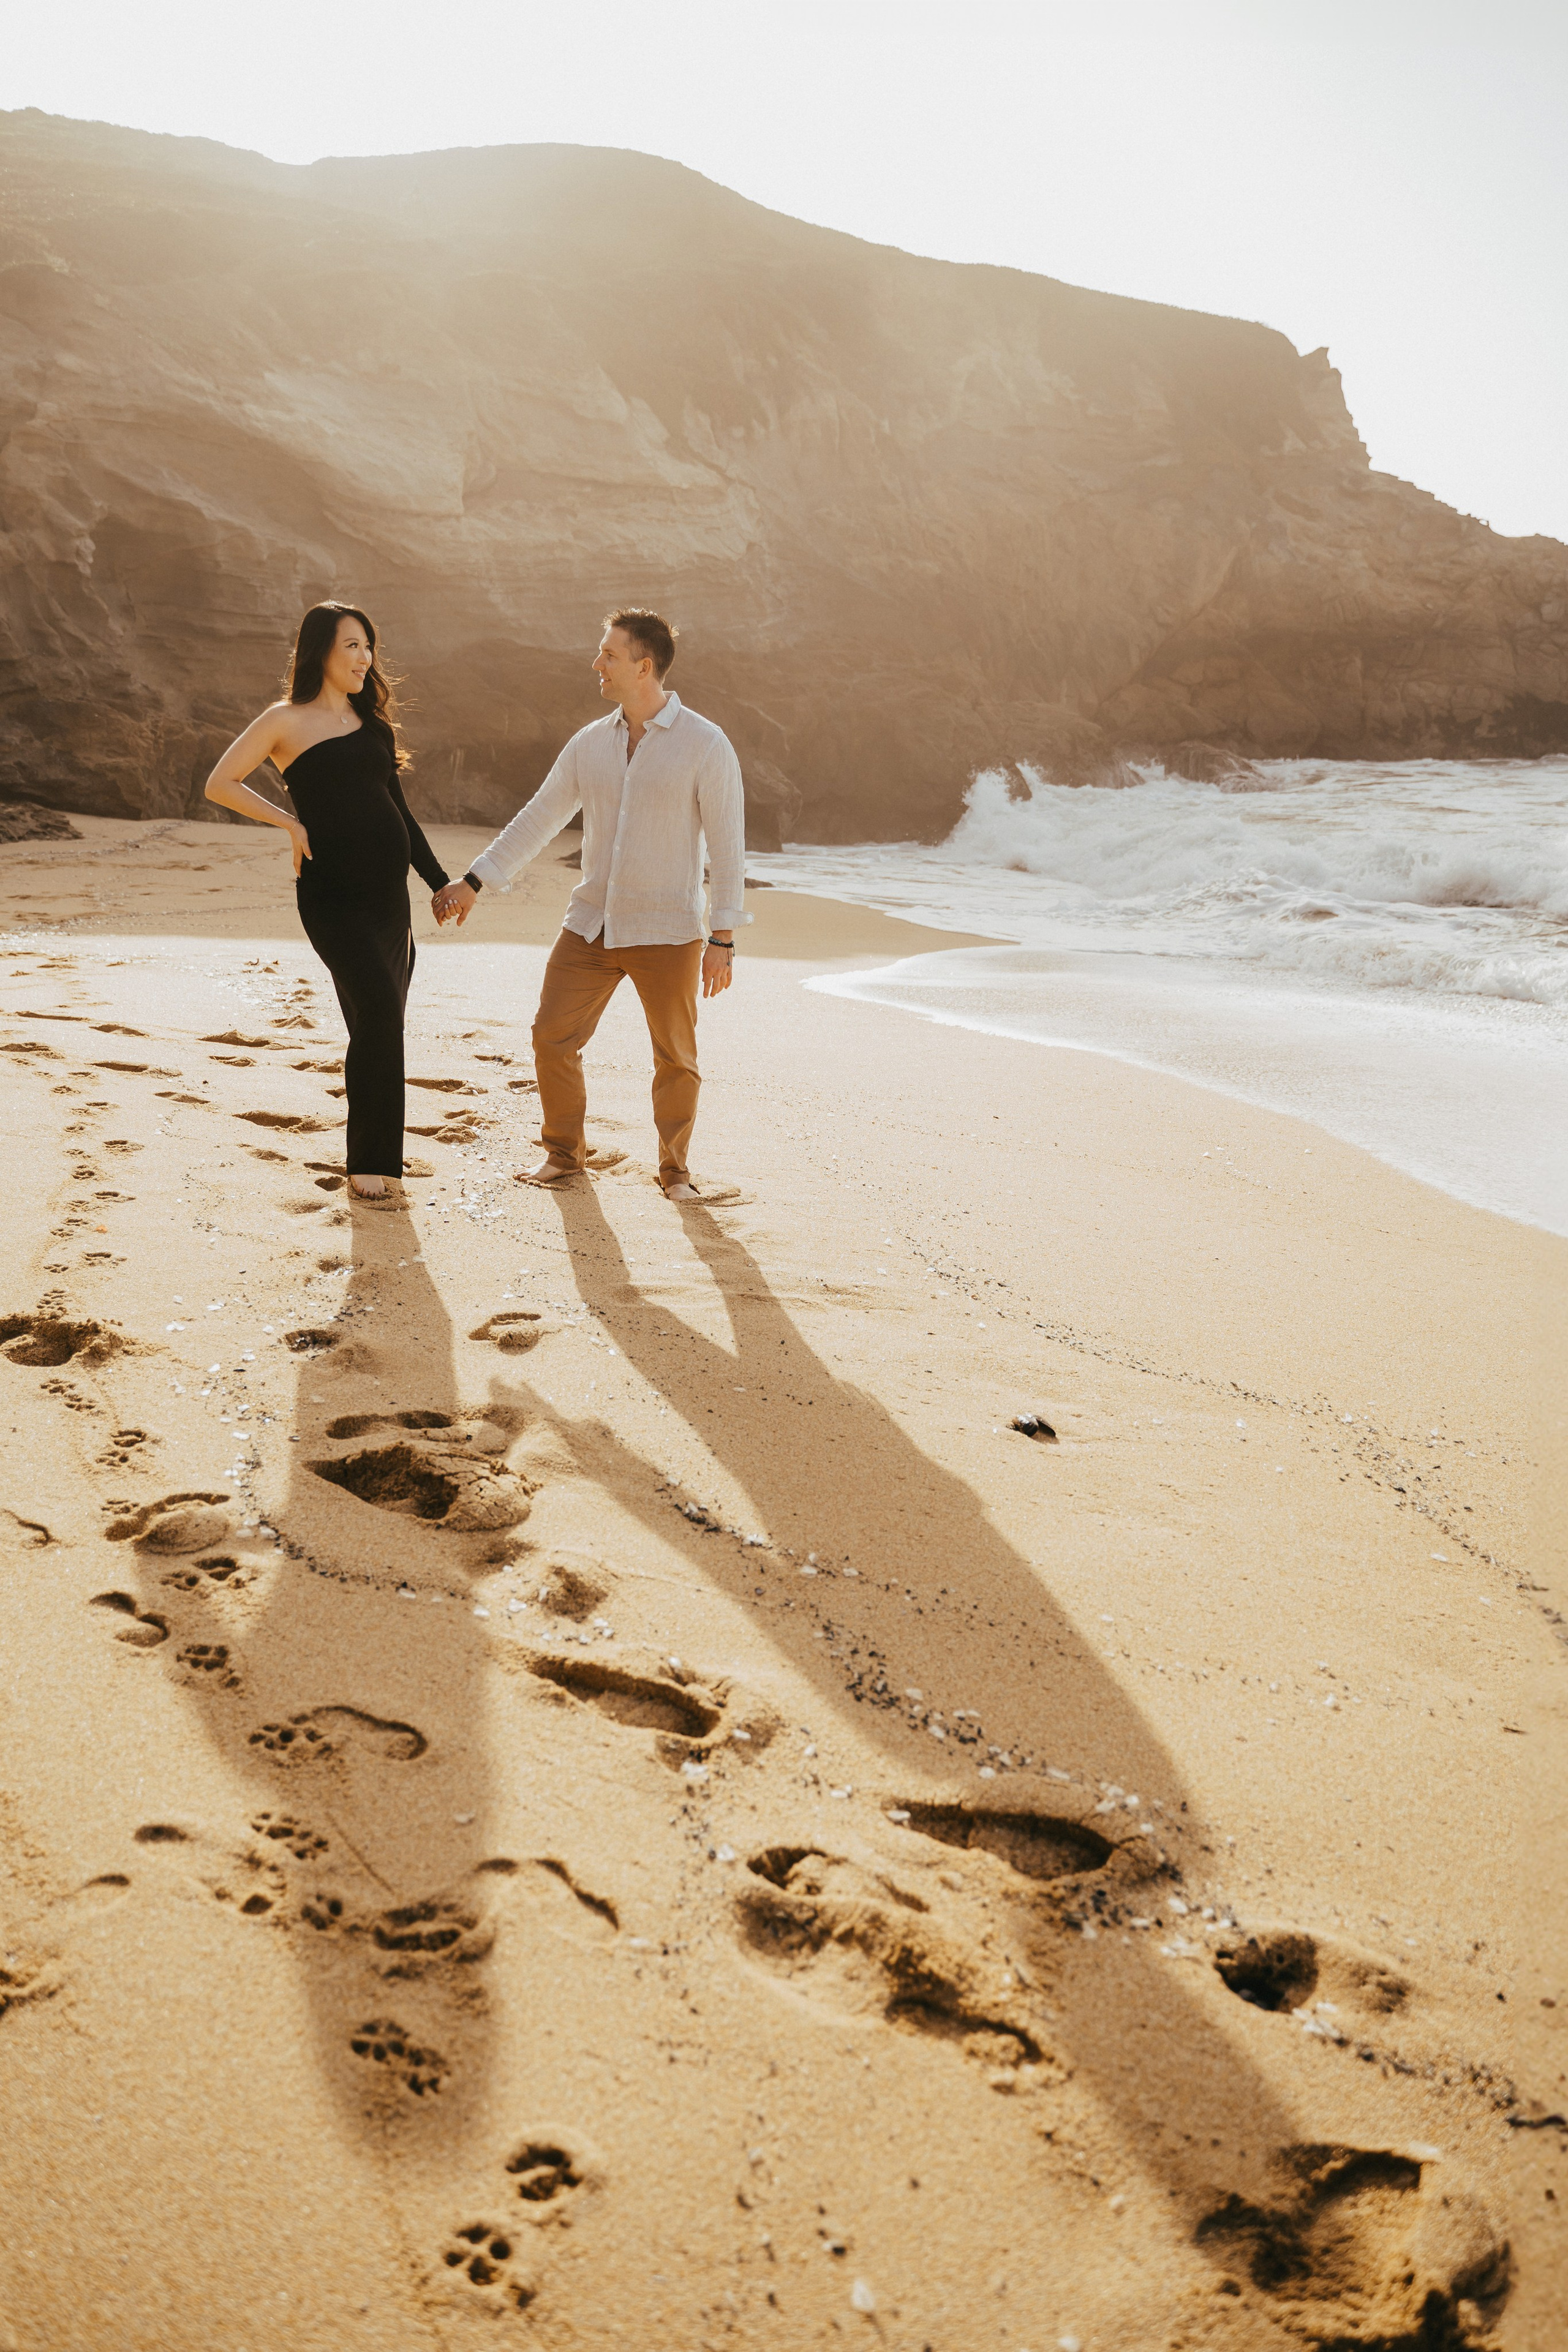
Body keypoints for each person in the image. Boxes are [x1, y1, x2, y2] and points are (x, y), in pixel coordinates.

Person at [433, 609, 747, 1201]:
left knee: (676, 1058)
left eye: (609, 654)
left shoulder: (705, 744)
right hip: (591, 924)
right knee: (552, 1036)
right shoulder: (590, 743)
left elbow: (728, 846)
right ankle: (564, 1156)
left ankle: (675, 1173)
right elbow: (539, 818)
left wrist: (722, 937)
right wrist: (475, 881)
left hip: (666, 928)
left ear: (644, 666)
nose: (596, 664)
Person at [203, 602, 449, 1200]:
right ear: (320, 652)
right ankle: (370, 1163)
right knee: (380, 1016)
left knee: (377, 1024)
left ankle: (379, 1157)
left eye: (369, 647)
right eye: (352, 647)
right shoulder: (285, 720)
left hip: (391, 902)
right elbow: (221, 782)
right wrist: (290, 824)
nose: (365, 659)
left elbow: (401, 814)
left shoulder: (374, 726)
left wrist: (439, 881)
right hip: (333, 897)